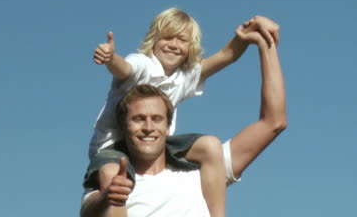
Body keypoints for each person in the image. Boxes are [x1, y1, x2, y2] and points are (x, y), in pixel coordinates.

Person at [81, 16, 286, 216]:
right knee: (112, 177)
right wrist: (111, 59)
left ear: (169, 123)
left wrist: (261, 39)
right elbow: (125, 69)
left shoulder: (202, 172)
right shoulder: (143, 65)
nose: (148, 126)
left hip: (167, 153)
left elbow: (226, 57)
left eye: (157, 118)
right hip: (111, 150)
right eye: (139, 118)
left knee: (210, 145)